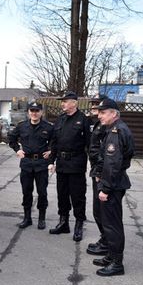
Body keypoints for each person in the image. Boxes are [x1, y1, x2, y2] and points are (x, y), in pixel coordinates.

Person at [93, 98, 134, 276]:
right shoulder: (113, 129)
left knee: (112, 225)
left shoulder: (117, 132)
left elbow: (113, 164)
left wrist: (105, 189)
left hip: (113, 185)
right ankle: (111, 255)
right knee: (109, 222)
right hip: (113, 182)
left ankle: (117, 263)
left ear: (113, 114)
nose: (99, 116)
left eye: (103, 112)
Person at [48, 91, 91, 241]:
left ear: (74, 103)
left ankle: (79, 225)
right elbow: (54, 142)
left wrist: (94, 166)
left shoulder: (83, 120)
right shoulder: (60, 119)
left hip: (76, 164)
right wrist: (51, 161)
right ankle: (63, 223)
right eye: (62, 101)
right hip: (61, 164)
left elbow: (90, 144)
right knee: (62, 195)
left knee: (78, 196)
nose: (62, 104)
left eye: (65, 101)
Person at [8, 100, 53, 229]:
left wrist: (50, 151)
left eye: (37, 111)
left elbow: (54, 142)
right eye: (32, 111)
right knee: (26, 192)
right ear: (28, 112)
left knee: (42, 192)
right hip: (26, 163)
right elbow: (11, 138)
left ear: (41, 112)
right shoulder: (22, 126)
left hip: (41, 164)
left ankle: (41, 219)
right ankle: (27, 218)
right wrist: (17, 149)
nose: (34, 113)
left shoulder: (48, 127)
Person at [87, 94, 109, 255]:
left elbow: (105, 153)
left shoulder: (106, 127)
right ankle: (104, 239)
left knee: (103, 211)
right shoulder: (97, 124)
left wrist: (99, 172)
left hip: (101, 174)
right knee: (97, 211)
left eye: (97, 105)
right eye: (93, 104)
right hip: (96, 171)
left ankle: (107, 243)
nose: (93, 107)